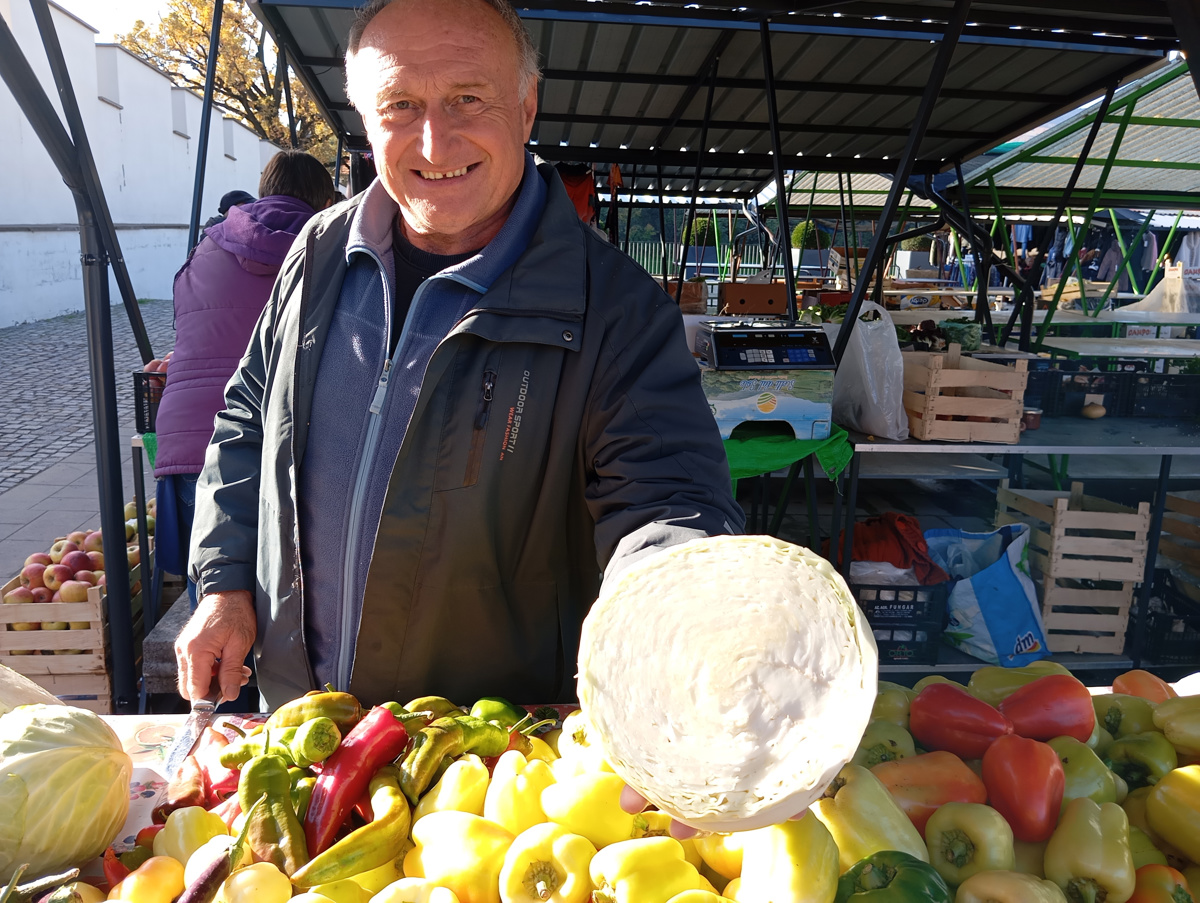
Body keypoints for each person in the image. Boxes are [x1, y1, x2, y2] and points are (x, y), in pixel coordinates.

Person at [174, 0, 744, 710]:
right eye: (401, 105)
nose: (435, 143)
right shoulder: (318, 253)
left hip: (486, 767)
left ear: (527, 108)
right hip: (304, 729)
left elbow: (669, 504)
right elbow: (248, 419)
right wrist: (224, 580)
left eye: (468, 99)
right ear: (363, 121)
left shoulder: (616, 310)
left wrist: (670, 615)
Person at [154, 151, 336, 611]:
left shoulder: (206, 248)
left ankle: (220, 683)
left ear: (263, 188)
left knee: (215, 599)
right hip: (283, 441)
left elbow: (189, 325)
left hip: (191, 438)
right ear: (321, 197)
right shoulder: (330, 245)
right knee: (292, 604)